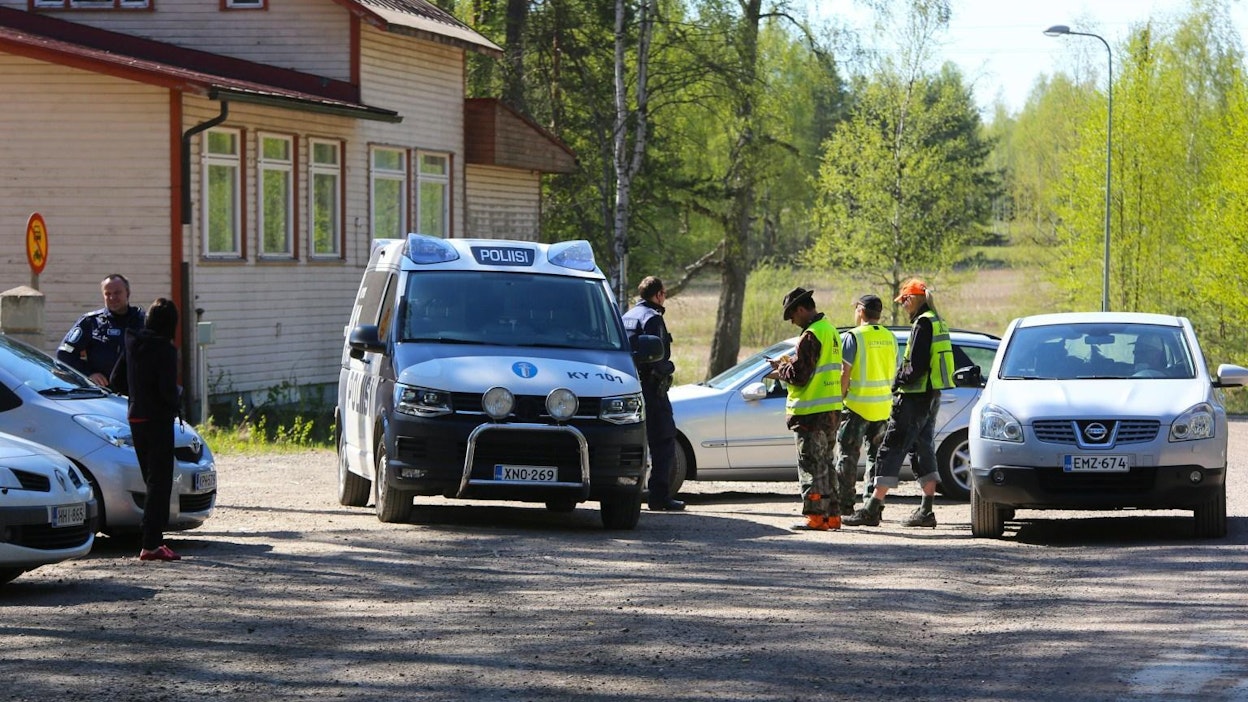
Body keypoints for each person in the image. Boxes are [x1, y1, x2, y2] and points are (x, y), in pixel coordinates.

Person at [843, 278, 954, 529]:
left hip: (914, 396)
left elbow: (915, 367)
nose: (903, 306)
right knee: (923, 449)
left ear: (914, 298)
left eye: (904, 300)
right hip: (931, 395)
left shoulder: (923, 324)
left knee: (891, 447)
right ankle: (926, 510)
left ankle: (872, 508)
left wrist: (896, 380)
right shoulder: (937, 321)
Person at [767, 287, 843, 531]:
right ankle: (833, 515)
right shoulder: (830, 330)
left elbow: (800, 376)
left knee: (811, 464)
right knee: (827, 463)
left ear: (801, 309)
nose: (792, 321)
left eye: (792, 316)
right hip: (831, 408)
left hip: (811, 412)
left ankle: (814, 516)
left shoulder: (811, 335)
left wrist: (782, 369)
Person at [122, 298, 183, 561]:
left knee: (151, 480)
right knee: (160, 482)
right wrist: (177, 400)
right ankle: (151, 543)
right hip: (157, 420)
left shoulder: (132, 343)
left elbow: (116, 379)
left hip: (135, 416)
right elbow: (167, 391)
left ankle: (151, 540)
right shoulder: (166, 350)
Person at [622, 276, 685, 512]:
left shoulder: (626, 316)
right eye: (664, 294)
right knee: (664, 440)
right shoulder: (653, 318)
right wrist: (669, 369)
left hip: (628, 387)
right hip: (651, 387)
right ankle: (659, 497)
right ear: (658, 294)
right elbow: (657, 358)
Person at [834, 294, 898, 515]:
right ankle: (873, 506)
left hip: (856, 406)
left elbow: (845, 373)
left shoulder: (853, 337)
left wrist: (839, 400)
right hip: (882, 408)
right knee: (877, 458)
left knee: (848, 456)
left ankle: (844, 504)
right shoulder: (890, 337)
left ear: (861, 311)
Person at [58, 274, 145, 392]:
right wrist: (88, 374)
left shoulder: (142, 321)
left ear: (128, 293)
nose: (112, 298)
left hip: (137, 395)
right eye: (107, 294)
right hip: (103, 394)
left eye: (117, 293)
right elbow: (64, 354)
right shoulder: (91, 322)